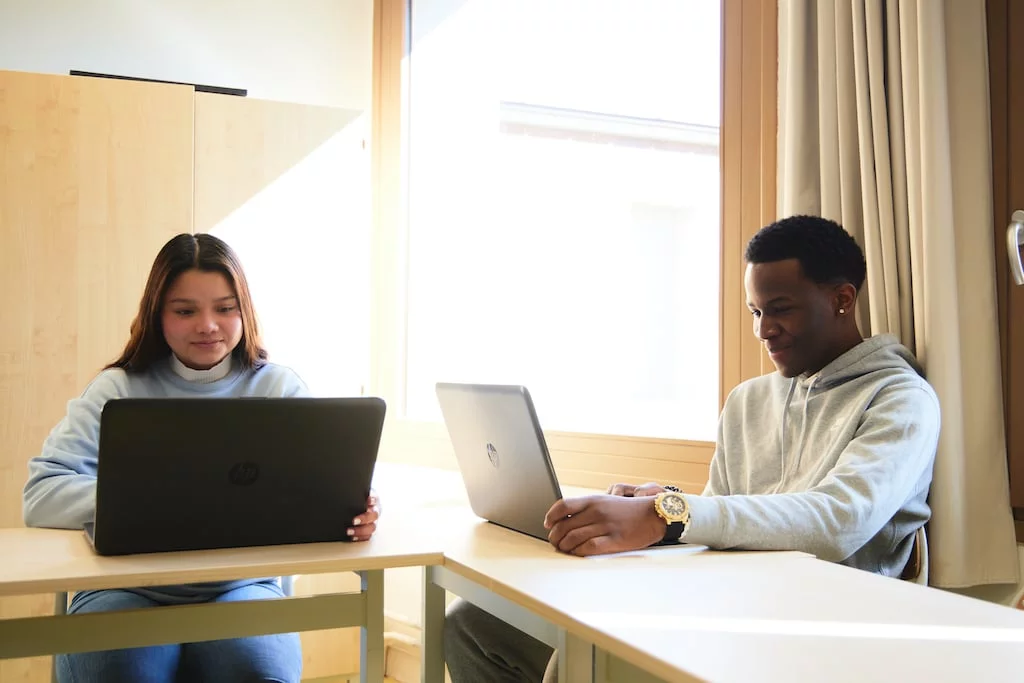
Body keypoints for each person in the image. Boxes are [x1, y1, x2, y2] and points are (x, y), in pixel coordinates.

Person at [444, 215, 941, 683]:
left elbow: (840, 521)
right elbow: (722, 513)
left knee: (590, 652)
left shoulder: (900, 399)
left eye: (781, 309)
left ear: (843, 298)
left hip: (818, 629)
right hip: (724, 601)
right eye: (755, 311)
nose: (763, 330)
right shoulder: (749, 400)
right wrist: (665, 502)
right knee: (474, 622)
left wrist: (669, 514)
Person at [23, 233, 381, 683]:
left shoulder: (277, 390)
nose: (208, 325)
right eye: (185, 310)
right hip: (123, 589)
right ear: (158, 315)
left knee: (255, 670)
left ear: (244, 311)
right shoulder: (118, 390)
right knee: (124, 673)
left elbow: (322, 487)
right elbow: (40, 494)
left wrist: (358, 509)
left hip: (243, 587)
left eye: (225, 308)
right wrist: (144, 501)